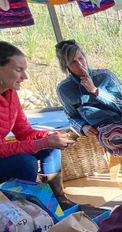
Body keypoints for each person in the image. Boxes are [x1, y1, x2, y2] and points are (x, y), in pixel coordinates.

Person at [55, 40, 122, 183]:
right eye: (73, 62)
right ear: (66, 66)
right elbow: (71, 116)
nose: (80, 65)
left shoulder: (105, 76)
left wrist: (96, 92)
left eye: (81, 58)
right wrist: (83, 127)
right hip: (106, 130)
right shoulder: (64, 88)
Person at [0, 42, 75, 207]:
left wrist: (49, 137)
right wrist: (43, 142)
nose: (25, 77)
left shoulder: (10, 94)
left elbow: (23, 131)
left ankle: (57, 201)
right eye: (19, 70)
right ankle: (23, 209)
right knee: (26, 162)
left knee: (50, 147)